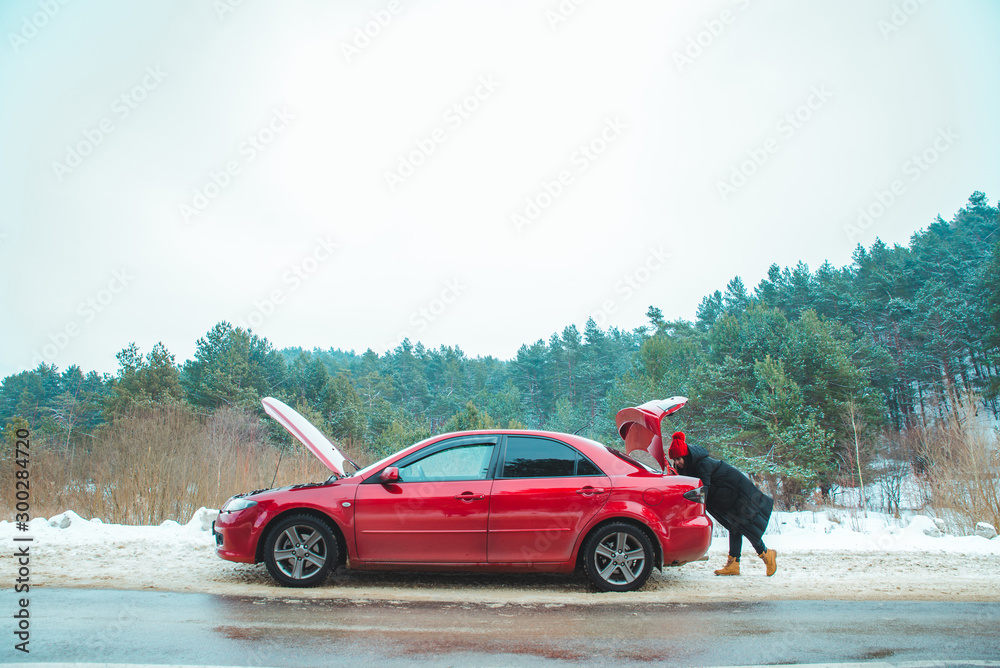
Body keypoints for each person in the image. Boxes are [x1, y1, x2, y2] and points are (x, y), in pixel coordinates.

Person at [668, 431, 778, 577]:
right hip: (725, 496)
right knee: (735, 526)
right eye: (674, 460)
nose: (676, 462)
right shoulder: (687, 466)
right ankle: (734, 564)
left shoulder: (703, 464)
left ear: (685, 455)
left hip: (737, 492)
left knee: (744, 525)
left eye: (678, 459)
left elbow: (703, 490)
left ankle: (766, 554)